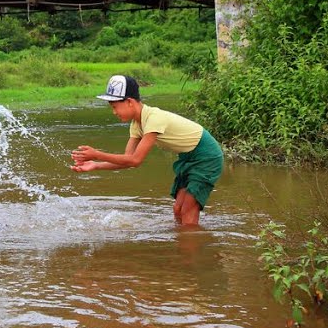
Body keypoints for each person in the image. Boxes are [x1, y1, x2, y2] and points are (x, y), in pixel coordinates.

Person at [71, 75, 224, 226]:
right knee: (178, 209)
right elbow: (128, 160)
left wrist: (97, 154)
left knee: (188, 209)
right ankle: (183, 244)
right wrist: (96, 165)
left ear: (129, 102)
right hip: (187, 157)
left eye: (114, 106)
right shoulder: (137, 125)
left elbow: (136, 160)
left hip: (206, 155)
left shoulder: (154, 118)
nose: (114, 112)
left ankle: (190, 247)